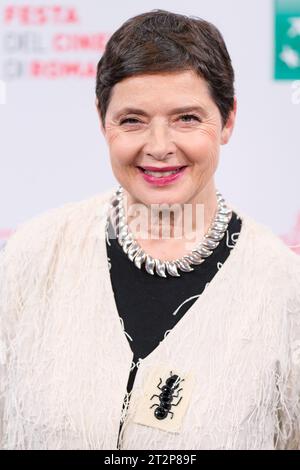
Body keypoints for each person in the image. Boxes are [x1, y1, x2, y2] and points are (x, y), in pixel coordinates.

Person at [0, 9, 299, 450]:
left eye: (187, 118)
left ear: (228, 120)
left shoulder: (284, 288)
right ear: (103, 120)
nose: (159, 147)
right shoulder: (34, 254)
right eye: (133, 120)